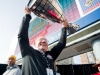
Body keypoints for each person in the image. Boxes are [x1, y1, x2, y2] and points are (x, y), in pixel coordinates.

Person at [18, 6, 75, 75]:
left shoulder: (51, 54)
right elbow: (22, 35)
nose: (43, 41)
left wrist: (64, 28)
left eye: (45, 40)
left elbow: (61, 44)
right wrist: (27, 15)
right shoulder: (28, 51)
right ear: (34, 44)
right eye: (40, 40)